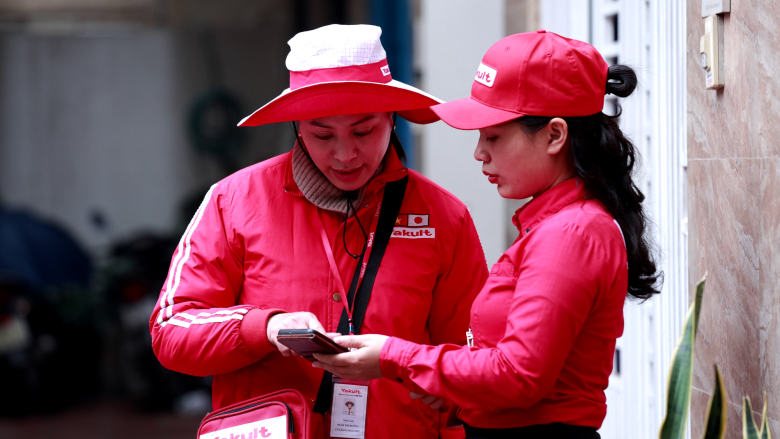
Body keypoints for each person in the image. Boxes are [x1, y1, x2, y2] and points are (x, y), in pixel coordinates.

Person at [313, 30, 662, 439]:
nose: (480, 152)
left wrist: (394, 356)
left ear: (554, 135)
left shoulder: (572, 232)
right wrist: (457, 390)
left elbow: (519, 374)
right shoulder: (557, 224)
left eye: (493, 136)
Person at [148, 24, 488, 439]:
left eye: (364, 131)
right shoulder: (232, 202)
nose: (345, 155)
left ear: (393, 118)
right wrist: (265, 328)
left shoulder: (442, 217)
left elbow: (476, 364)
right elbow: (171, 332)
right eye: (322, 134)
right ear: (296, 127)